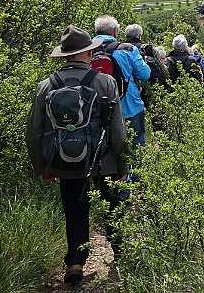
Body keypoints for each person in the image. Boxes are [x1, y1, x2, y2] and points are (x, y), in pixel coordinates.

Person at [25, 25, 128, 285]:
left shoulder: (46, 85)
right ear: (88, 54)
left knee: (74, 210)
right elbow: (118, 130)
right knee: (112, 207)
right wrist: (123, 163)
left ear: (65, 55)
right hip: (104, 160)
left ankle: (75, 262)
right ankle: (122, 255)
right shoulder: (105, 82)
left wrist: (44, 167)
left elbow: (34, 133)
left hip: (64, 161)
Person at [93, 16, 150, 151]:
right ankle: (133, 172)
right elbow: (145, 74)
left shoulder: (86, 52)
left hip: (96, 110)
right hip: (129, 107)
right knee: (135, 149)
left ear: (96, 33)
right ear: (114, 33)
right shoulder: (127, 49)